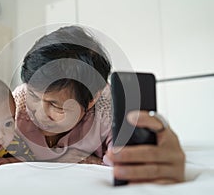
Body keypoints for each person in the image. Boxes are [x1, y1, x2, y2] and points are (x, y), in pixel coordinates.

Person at [13, 25, 185, 184]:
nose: (39, 114)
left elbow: (130, 160)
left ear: (91, 100)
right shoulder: (16, 104)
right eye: (33, 96)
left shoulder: (107, 111)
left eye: (56, 106)